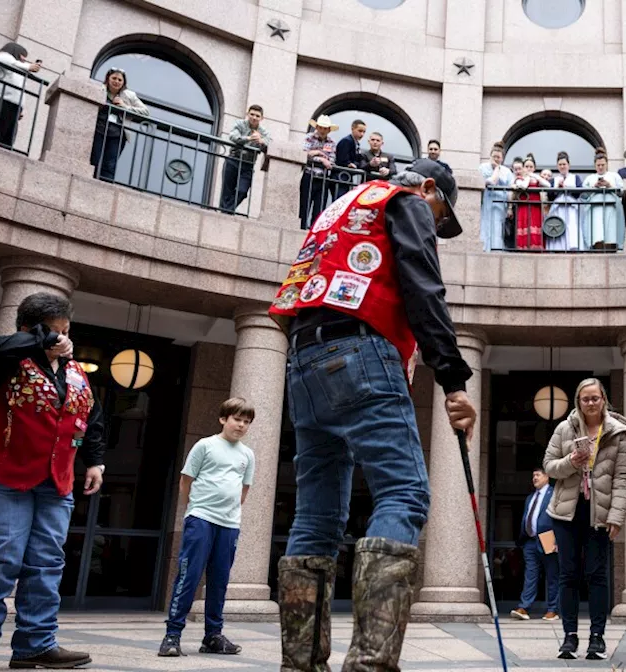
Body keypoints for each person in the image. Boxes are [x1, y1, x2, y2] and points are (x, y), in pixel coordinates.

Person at [270, 159, 477, 672]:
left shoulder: (341, 206)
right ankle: (370, 664)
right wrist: (452, 376)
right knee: (404, 492)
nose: (437, 228)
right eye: (441, 215)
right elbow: (423, 287)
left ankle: (300, 665)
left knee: (314, 516)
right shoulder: (405, 201)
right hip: (360, 350)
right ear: (428, 188)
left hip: (302, 357)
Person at [0, 292, 105, 672]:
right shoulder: (1, 359)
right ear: (28, 329)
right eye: (54, 332)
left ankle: (35, 644)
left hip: (55, 481)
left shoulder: (73, 371)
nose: (63, 339)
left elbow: (92, 416)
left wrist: (95, 461)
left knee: (46, 563)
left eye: (66, 331)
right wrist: (41, 341)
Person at [158, 398, 256, 658]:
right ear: (224, 419)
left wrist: (229, 512)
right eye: (237, 419)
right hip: (201, 518)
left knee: (220, 580)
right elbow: (185, 481)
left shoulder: (248, 454)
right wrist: (195, 510)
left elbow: (244, 490)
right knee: (188, 576)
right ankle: (172, 635)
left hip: (229, 524)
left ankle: (212, 635)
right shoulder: (205, 446)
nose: (242, 425)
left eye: (246, 422)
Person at [543, 378, 626, 661]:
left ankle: (597, 637)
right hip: (566, 512)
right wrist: (571, 461)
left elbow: (623, 477)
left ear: (604, 399)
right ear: (578, 402)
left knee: (597, 575)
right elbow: (548, 466)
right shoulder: (563, 428)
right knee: (568, 574)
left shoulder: (618, 432)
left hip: (600, 514)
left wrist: (617, 516)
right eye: (585, 399)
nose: (590, 403)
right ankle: (569, 636)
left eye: (595, 398)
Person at [511, 468, 559, 622]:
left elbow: (558, 517)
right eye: (533, 475)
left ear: (547, 476)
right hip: (530, 541)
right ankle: (524, 607)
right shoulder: (530, 497)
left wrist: (558, 539)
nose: (534, 478)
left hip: (548, 538)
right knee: (530, 575)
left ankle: (553, 609)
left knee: (552, 575)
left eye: (537, 475)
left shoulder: (554, 493)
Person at [90, 67, 149, 182]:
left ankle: (105, 187)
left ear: (123, 83)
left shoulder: (129, 95)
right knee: (94, 160)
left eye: (119, 80)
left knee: (110, 164)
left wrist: (125, 107)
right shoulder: (99, 89)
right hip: (97, 130)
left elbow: (146, 112)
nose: (116, 81)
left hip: (118, 134)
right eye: (114, 78)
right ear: (108, 78)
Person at [0, 42, 41, 148]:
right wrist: (28, 66)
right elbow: (5, 60)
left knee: (6, 137)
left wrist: (19, 108)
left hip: (8, 104)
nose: (23, 59)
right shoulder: (4, 56)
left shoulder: (16, 66)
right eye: (22, 56)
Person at [219, 104, 270, 213]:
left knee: (242, 191)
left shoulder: (263, 131)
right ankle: (225, 214)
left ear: (262, 118)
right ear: (247, 114)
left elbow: (270, 144)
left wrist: (261, 141)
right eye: (252, 114)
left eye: (257, 116)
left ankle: (225, 211)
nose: (254, 117)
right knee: (226, 191)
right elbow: (233, 136)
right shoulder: (240, 124)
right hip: (233, 159)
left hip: (248, 165)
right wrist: (249, 138)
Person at [298, 115, 338, 229]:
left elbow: (332, 160)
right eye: (321, 127)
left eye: (325, 128)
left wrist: (315, 153)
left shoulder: (332, 142)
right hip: (309, 175)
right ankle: (302, 227)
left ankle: (314, 231)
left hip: (323, 178)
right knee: (304, 205)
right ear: (317, 127)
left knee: (319, 208)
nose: (322, 130)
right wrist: (320, 158)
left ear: (329, 130)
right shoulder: (309, 137)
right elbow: (305, 154)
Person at [582, 152, 625, 250]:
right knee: (597, 234)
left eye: (603, 165)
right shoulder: (590, 178)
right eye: (598, 165)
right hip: (595, 209)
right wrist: (594, 187)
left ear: (607, 164)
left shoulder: (614, 176)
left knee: (611, 234)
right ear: (595, 165)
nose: (600, 167)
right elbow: (583, 195)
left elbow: (622, 191)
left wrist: (609, 186)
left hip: (612, 208)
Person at [479, 141, 514, 251]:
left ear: (502, 158)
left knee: (498, 228)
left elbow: (510, 190)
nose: (496, 159)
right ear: (490, 156)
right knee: (485, 226)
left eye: (499, 157)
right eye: (494, 156)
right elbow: (487, 182)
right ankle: (484, 250)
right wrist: (496, 170)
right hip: (486, 203)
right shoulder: (483, 167)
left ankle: (497, 250)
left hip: (500, 203)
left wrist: (510, 207)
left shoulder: (507, 171)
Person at [547, 151, 584, 251]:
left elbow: (580, 192)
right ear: (557, 166)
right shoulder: (554, 180)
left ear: (569, 165)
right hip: (558, 208)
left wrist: (567, 188)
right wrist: (556, 189)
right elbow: (549, 196)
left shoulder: (575, 178)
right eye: (560, 164)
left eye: (564, 164)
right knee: (558, 226)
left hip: (571, 207)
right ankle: (558, 248)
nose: (562, 166)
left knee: (572, 227)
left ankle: (573, 247)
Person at [513, 154, 546, 251]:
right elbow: (523, 186)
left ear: (535, 168)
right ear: (523, 168)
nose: (529, 168)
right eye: (526, 166)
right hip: (524, 206)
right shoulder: (519, 179)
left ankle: (535, 247)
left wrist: (536, 177)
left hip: (536, 206)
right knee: (524, 224)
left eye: (531, 167)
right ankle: (523, 247)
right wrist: (528, 177)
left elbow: (547, 184)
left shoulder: (536, 179)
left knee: (535, 224)